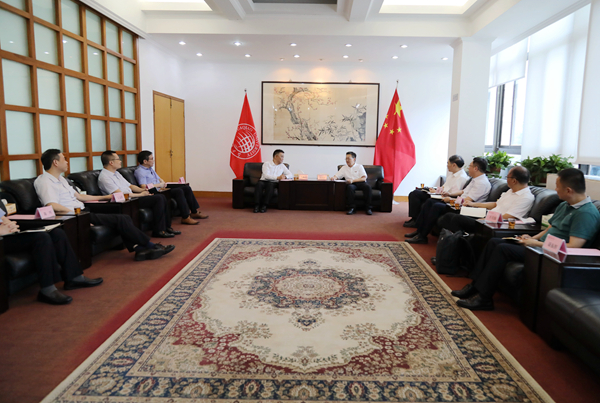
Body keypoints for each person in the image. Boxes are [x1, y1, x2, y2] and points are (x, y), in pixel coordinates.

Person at [452, 168, 600, 311]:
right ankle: (475, 286)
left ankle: (484, 298)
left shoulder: (586, 213)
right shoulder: (564, 205)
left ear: (568, 190)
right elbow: (549, 229)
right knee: (494, 242)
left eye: (557, 186)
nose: (555, 190)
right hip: (539, 246)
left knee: (503, 249)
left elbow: (574, 246)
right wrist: (531, 237)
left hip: (551, 255)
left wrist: (536, 243)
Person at [34, 149, 175, 262]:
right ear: (55, 162)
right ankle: (150, 246)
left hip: (83, 210)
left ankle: (140, 249)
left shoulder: (62, 179)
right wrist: (79, 217)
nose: (67, 162)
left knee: (124, 218)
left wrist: (105, 197)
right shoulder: (44, 181)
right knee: (121, 219)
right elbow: (52, 205)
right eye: (64, 159)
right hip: (74, 215)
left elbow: (80, 196)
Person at [0, 205, 102, 305]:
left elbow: (3, 217)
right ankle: (47, 289)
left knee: (57, 233)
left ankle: (74, 277)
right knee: (41, 238)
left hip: (7, 233)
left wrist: (10, 225)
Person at [406, 157, 491, 244]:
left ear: (476, 168)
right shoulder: (475, 179)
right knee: (430, 202)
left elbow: (467, 200)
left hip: (465, 208)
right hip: (459, 203)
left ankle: (422, 236)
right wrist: (449, 194)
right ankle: (419, 231)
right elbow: (463, 192)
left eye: (470, 166)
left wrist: (451, 199)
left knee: (436, 206)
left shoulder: (482, 183)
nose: (468, 168)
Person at [98, 150, 177, 238]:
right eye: (118, 159)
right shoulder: (104, 177)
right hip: (125, 202)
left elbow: (130, 186)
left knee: (161, 196)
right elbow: (120, 194)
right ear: (111, 162)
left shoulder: (116, 173)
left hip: (132, 198)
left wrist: (143, 190)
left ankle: (166, 227)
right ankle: (159, 230)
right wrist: (141, 195)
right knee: (158, 198)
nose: (120, 161)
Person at [438, 166, 535, 234]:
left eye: (507, 177)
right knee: (449, 216)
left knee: (456, 219)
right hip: (486, 216)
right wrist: (473, 204)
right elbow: (496, 204)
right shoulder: (510, 191)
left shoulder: (526, 197)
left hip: (493, 224)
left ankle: (456, 246)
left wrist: (484, 220)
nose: (506, 179)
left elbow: (509, 216)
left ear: (514, 181)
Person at [134, 150, 208, 225]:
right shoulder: (140, 171)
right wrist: (159, 185)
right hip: (155, 192)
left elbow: (159, 179)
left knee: (186, 188)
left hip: (162, 188)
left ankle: (194, 212)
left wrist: (162, 183)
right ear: (145, 161)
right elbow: (143, 186)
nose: (154, 160)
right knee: (178, 191)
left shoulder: (150, 169)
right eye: (152, 159)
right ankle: (185, 217)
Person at [404, 154, 468, 228]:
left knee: (416, 194)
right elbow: (444, 187)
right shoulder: (452, 175)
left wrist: (438, 193)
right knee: (415, 193)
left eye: (448, 163)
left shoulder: (461, 178)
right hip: (439, 194)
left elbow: (452, 193)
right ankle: (414, 218)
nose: (447, 165)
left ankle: (416, 221)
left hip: (444, 197)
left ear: (454, 165)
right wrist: (435, 190)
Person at [331, 151, 372, 215]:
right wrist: (333, 178)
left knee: (368, 187)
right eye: (346, 159)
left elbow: (364, 178)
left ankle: (368, 208)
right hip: (351, 184)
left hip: (360, 182)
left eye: (349, 158)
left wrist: (353, 180)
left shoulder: (359, 166)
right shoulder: (344, 168)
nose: (347, 160)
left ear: (354, 159)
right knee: (350, 188)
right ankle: (352, 208)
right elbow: (337, 176)